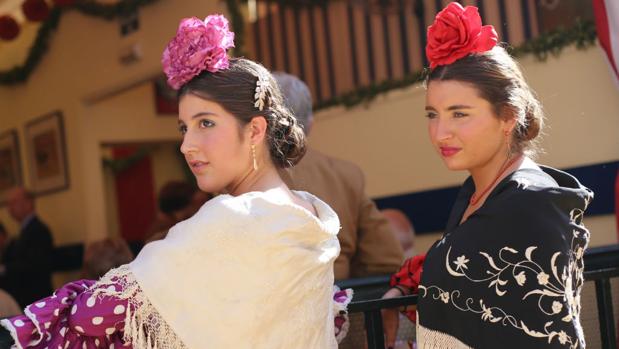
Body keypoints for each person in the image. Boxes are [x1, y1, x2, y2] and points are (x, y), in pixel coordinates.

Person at [0, 15, 350, 348]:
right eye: (184, 127)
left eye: (206, 123)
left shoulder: (235, 217)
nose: (187, 145)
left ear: (255, 129)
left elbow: (90, 316)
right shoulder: (310, 211)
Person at [382, 3, 593, 349]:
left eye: (459, 114)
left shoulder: (530, 203)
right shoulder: (480, 193)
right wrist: (406, 285)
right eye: (432, 115)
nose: (439, 133)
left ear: (508, 116)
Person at [273, 72, 404, 280]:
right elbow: (386, 259)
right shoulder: (346, 175)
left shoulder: (243, 178)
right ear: (311, 124)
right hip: (339, 304)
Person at [0, 187, 54, 308]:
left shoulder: (38, 230)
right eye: (8, 204)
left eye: (13, 203)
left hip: (35, 298)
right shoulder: (25, 231)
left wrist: (4, 269)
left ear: (28, 204)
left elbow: (34, 266)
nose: (9, 209)